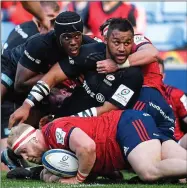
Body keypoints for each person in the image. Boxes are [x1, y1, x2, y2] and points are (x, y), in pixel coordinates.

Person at [8, 18, 145, 128]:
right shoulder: (89, 51)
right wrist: (27, 106)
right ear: (106, 40)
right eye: (116, 42)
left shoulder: (133, 75)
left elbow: (105, 110)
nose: (122, 48)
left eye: (127, 43)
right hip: (61, 117)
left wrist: (64, 122)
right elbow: (53, 76)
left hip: (88, 128)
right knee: (20, 140)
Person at [7, 109, 187, 184]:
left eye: (24, 151)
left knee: (149, 171)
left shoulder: (54, 130)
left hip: (125, 126)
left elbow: (88, 147)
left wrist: (78, 178)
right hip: (126, 131)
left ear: (33, 139)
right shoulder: (52, 141)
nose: (25, 158)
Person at [1, 2, 60, 156]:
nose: (49, 23)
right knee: (10, 142)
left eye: (54, 19)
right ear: (38, 16)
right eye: (48, 18)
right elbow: (11, 71)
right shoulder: (31, 37)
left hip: (16, 88)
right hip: (11, 90)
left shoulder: (38, 33)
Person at [158, 58, 187, 149]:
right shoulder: (136, 95)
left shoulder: (176, 94)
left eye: (158, 75)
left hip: (177, 142)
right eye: (152, 75)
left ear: (163, 76)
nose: (155, 78)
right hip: (150, 144)